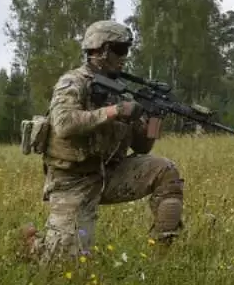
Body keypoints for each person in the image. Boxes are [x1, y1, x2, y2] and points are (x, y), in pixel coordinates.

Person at [21, 20, 184, 262]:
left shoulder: (121, 90)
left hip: (110, 173)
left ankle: (162, 255)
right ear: (100, 49)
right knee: (64, 264)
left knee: (165, 171)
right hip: (72, 181)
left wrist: (154, 118)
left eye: (126, 50)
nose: (124, 57)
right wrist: (115, 111)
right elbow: (64, 124)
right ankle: (31, 245)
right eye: (119, 50)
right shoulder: (73, 82)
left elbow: (142, 147)